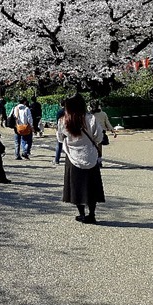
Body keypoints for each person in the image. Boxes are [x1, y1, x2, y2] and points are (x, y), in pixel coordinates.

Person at [57, 94, 104, 224]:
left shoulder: (63, 120)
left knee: (76, 187)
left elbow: (60, 138)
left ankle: (82, 214)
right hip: (90, 156)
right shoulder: (91, 119)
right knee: (92, 187)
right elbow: (99, 138)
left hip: (72, 157)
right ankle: (92, 214)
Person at [53, 99, 66, 166]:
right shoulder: (69, 112)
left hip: (61, 129)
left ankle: (57, 160)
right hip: (68, 130)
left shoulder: (59, 112)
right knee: (68, 145)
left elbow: (57, 121)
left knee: (59, 144)